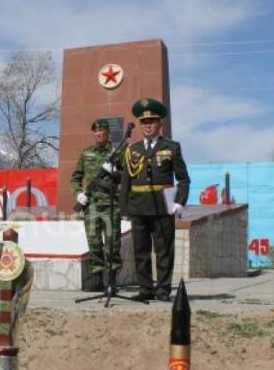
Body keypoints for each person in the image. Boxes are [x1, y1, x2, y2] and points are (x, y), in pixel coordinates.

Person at [119, 98, 190, 302]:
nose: (147, 125)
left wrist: (180, 202)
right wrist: (124, 210)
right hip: (138, 206)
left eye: (151, 121)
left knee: (164, 250)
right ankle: (145, 289)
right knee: (140, 250)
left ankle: (163, 290)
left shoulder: (171, 147)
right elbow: (126, 182)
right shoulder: (132, 150)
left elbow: (183, 179)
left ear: (160, 123)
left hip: (162, 206)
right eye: (144, 122)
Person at [70, 118, 123, 293]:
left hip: (110, 204)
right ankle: (97, 279)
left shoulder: (117, 152)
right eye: (96, 131)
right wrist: (78, 193)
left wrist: (115, 172)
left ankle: (112, 279)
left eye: (102, 130)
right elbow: (75, 177)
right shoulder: (87, 153)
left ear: (108, 132)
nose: (99, 133)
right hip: (91, 204)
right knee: (94, 242)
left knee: (112, 242)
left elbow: (126, 176)